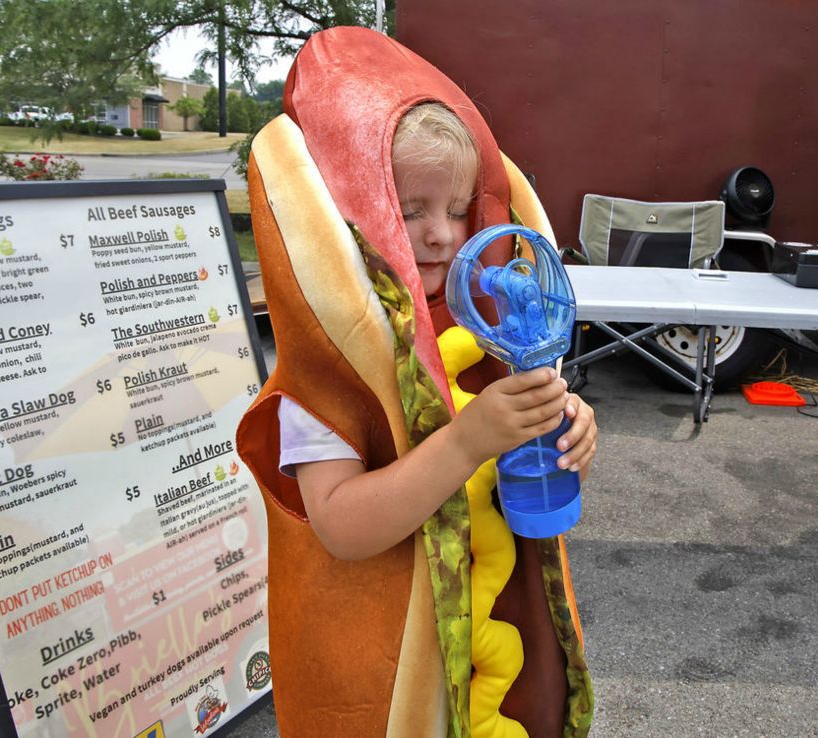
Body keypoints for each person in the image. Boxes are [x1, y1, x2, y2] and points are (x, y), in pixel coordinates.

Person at [237, 27, 595, 738]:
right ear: (349, 219)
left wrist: (569, 420)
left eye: (459, 208)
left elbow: (512, 440)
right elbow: (341, 525)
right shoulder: (323, 371)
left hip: (490, 663)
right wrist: (467, 442)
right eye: (409, 210)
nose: (442, 235)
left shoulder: (480, 324)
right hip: (386, 685)